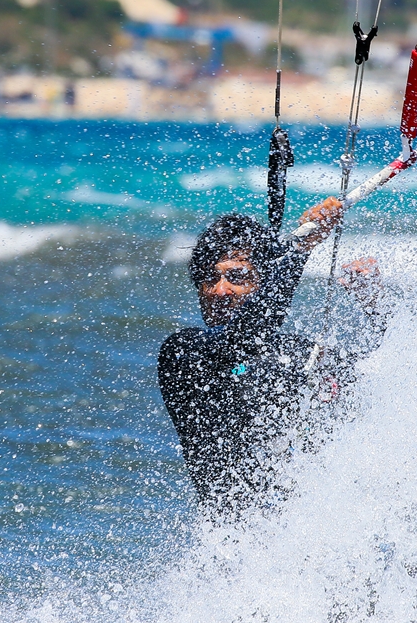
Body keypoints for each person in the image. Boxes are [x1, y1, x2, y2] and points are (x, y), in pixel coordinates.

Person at [158, 197, 385, 516]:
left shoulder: (299, 355)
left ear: (263, 281)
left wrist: (375, 305)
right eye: (210, 279)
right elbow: (244, 338)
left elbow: (396, 378)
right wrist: (300, 250)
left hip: (315, 532)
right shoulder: (185, 354)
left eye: (236, 277)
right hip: (237, 545)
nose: (221, 290)